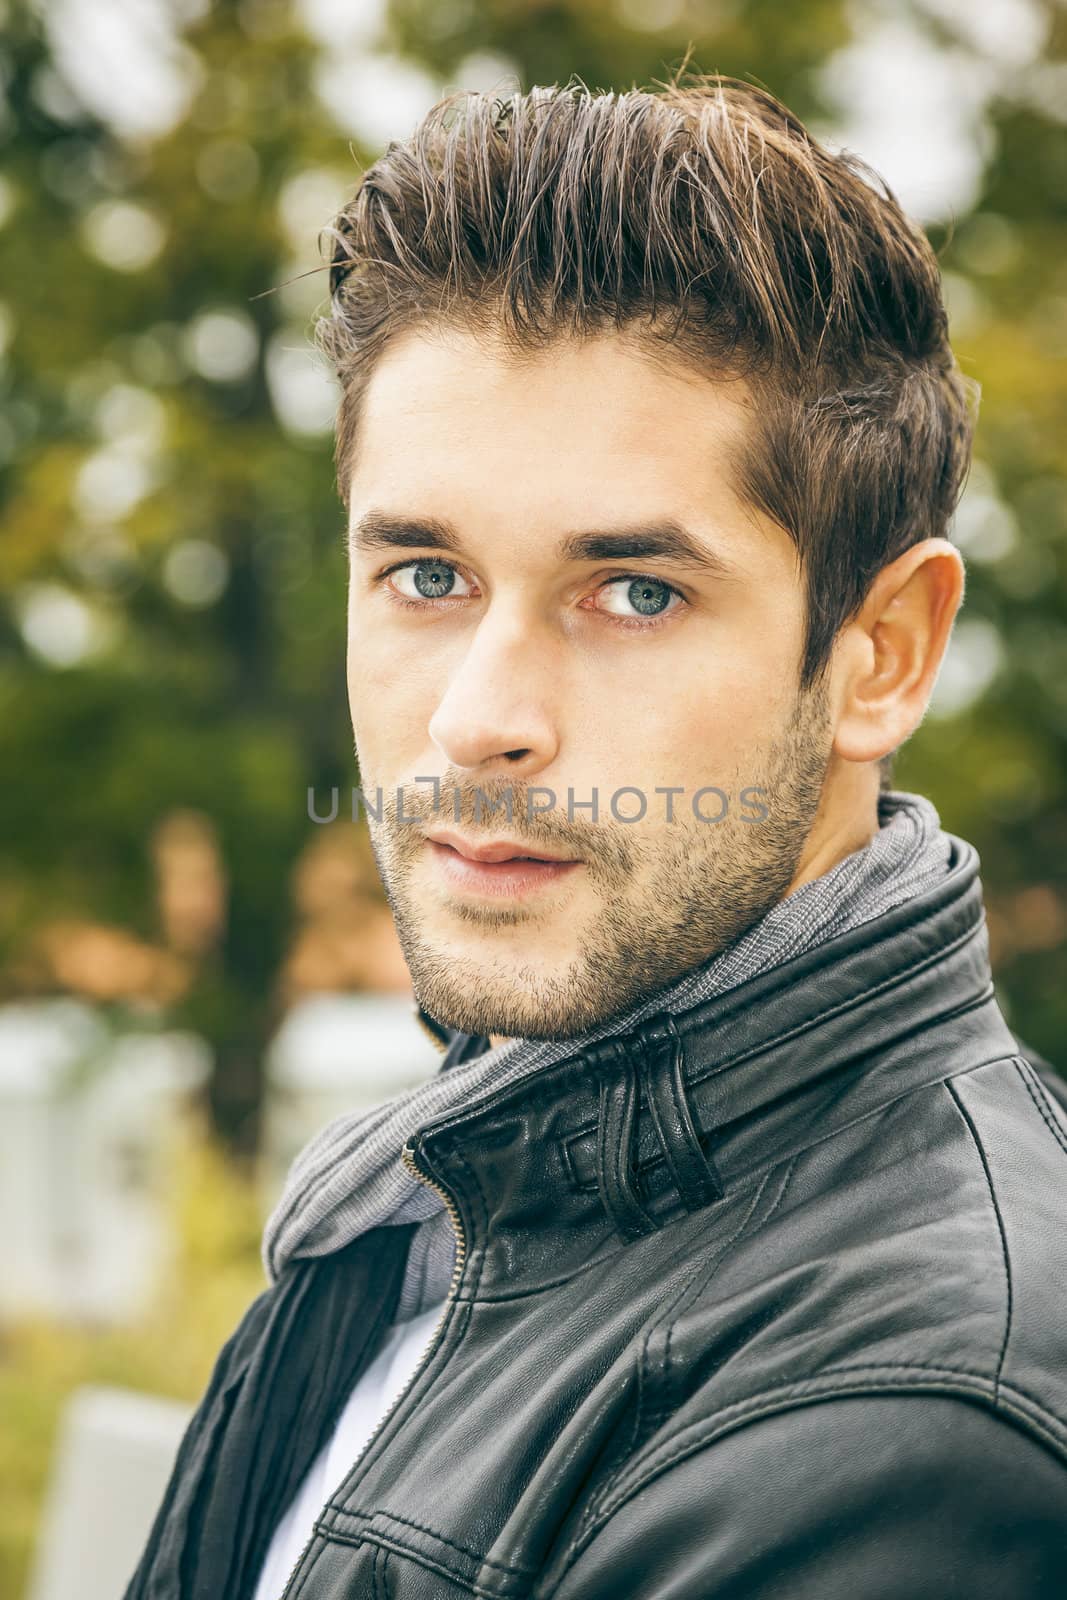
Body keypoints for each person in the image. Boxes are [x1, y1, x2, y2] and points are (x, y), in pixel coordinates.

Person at [125, 75, 1067, 1600]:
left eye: (633, 592)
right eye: (426, 575)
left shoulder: (914, 1423)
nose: (479, 721)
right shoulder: (445, 1183)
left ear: (881, 652)